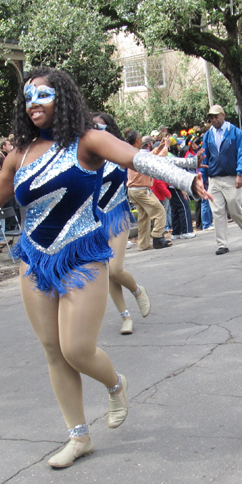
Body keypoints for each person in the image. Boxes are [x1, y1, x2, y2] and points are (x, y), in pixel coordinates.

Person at [0, 67, 209, 469]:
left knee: (76, 349)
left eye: (43, 95)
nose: (33, 103)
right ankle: (78, 436)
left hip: (82, 256)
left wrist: (187, 181)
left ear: (63, 98)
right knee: (54, 351)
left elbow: (137, 158)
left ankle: (115, 384)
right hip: (34, 260)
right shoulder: (19, 155)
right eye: (27, 97)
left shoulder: (88, 140)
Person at [93, 113, 151, 335]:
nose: (95, 130)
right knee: (107, 272)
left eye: (100, 126)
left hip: (117, 214)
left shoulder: (119, 152)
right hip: (95, 219)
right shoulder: (84, 157)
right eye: (91, 127)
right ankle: (125, 317)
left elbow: (151, 162)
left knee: (115, 269)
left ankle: (137, 291)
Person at [201, 104, 242, 255]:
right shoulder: (208, 135)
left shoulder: (235, 132)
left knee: (233, 207)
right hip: (214, 178)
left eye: (216, 116)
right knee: (217, 211)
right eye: (211, 117)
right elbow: (204, 157)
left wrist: (239, 174)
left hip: (231, 176)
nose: (213, 120)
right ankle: (222, 244)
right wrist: (202, 179)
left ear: (223, 115)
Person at [125, 132, 170, 250]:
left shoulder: (133, 153)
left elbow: (151, 155)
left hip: (134, 190)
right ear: (136, 141)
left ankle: (143, 244)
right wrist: (166, 147)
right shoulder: (138, 155)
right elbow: (157, 160)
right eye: (140, 138)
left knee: (144, 217)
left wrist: (160, 146)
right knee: (160, 211)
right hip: (141, 190)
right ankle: (157, 237)